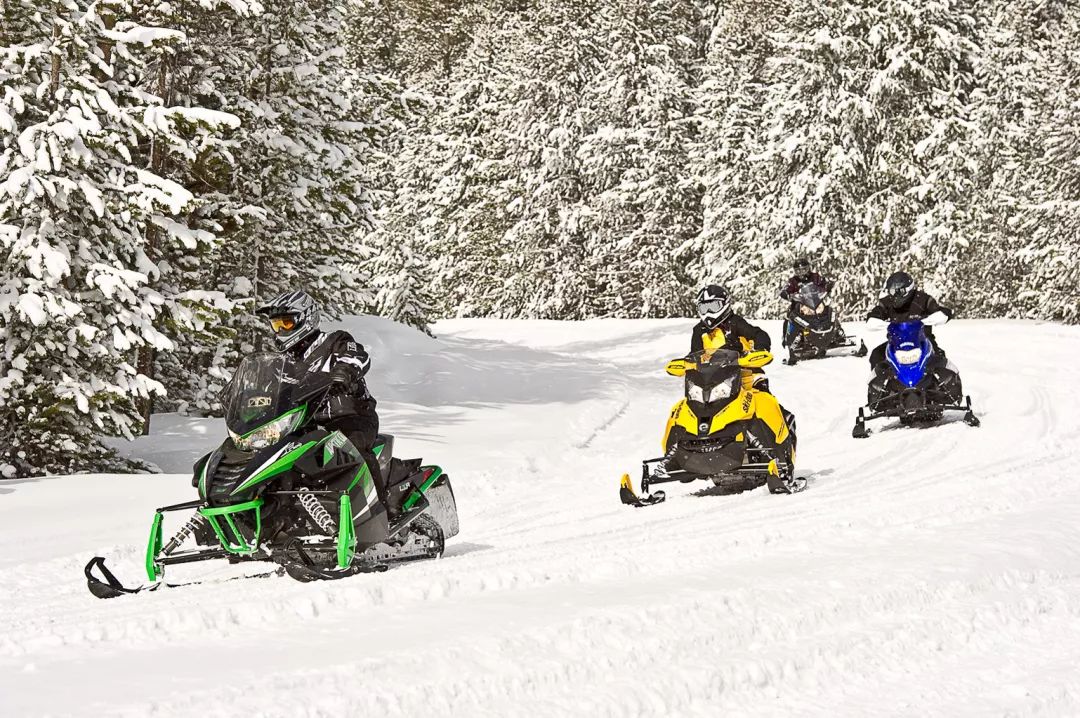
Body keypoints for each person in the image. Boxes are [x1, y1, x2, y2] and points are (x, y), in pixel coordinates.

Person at [255, 290, 388, 511]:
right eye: (276, 325)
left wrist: (343, 372)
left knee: (350, 448)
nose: (280, 331)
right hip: (305, 424)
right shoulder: (282, 362)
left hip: (350, 416)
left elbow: (357, 356)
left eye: (286, 324)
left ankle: (380, 510)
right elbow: (268, 390)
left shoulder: (334, 340)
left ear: (305, 318)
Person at [690, 284, 772, 391]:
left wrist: (760, 349)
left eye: (713, 306)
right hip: (712, 379)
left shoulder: (735, 323)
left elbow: (758, 334)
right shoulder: (699, 330)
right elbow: (694, 354)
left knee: (761, 392)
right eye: (704, 308)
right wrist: (687, 363)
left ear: (725, 304)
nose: (708, 313)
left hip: (745, 372)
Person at [866, 271, 952, 369]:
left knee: (940, 361)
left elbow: (940, 310)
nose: (894, 295)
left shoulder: (923, 300)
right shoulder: (887, 302)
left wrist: (940, 315)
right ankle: (880, 383)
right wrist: (875, 318)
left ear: (907, 289)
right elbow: (877, 312)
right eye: (891, 291)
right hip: (896, 343)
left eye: (898, 291)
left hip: (923, 341)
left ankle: (944, 384)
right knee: (876, 355)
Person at [780, 257, 834, 347]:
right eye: (798, 271)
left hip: (816, 302)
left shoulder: (815, 277)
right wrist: (786, 293)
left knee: (829, 311)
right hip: (800, 304)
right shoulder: (793, 281)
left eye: (803, 269)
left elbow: (824, 282)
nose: (801, 273)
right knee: (789, 315)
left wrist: (828, 285)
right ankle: (788, 338)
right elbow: (786, 289)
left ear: (808, 268)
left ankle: (838, 332)